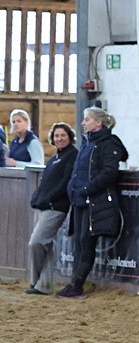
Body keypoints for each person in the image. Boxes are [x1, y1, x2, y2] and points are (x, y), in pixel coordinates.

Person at [60, 107, 128, 299]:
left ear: (98, 123)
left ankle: (77, 284)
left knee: (86, 242)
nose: (83, 123)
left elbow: (109, 173)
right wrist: (73, 188)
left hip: (95, 200)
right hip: (81, 199)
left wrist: (87, 188)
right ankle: (74, 282)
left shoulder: (108, 144)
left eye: (87, 119)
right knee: (79, 243)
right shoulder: (87, 143)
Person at [25, 123, 78, 295]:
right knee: (45, 245)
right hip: (43, 204)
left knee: (37, 241)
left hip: (56, 206)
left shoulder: (72, 155)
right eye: (56, 136)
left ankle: (35, 281)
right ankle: (43, 285)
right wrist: (37, 197)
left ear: (70, 137)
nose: (59, 138)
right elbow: (45, 182)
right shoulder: (54, 158)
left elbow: (66, 182)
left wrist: (49, 198)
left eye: (63, 135)